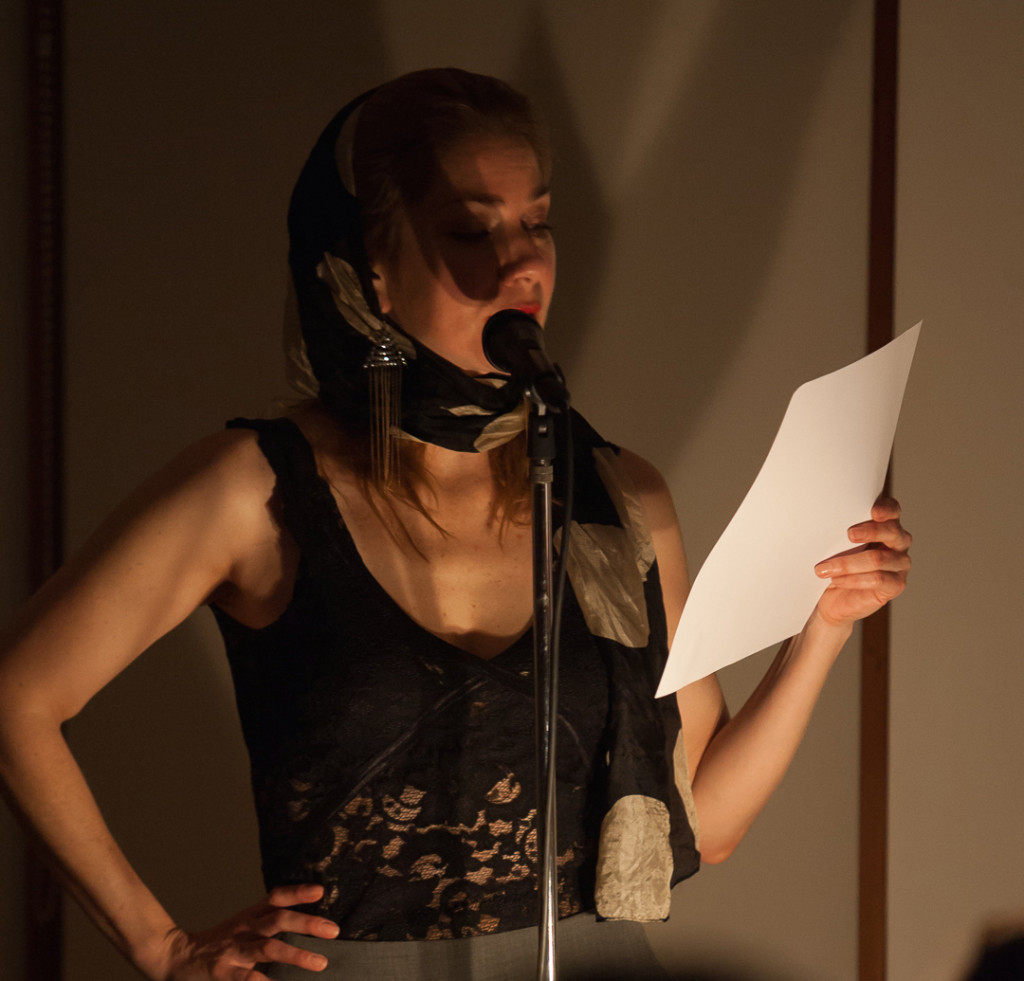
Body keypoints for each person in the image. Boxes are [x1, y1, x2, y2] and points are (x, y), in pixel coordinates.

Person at [0, 69, 911, 981]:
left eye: (537, 223)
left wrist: (823, 626)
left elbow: (705, 825)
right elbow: (18, 698)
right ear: (376, 270)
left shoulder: (617, 493)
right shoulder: (254, 488)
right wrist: (161, 946)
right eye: (472, 231)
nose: (522, 265)